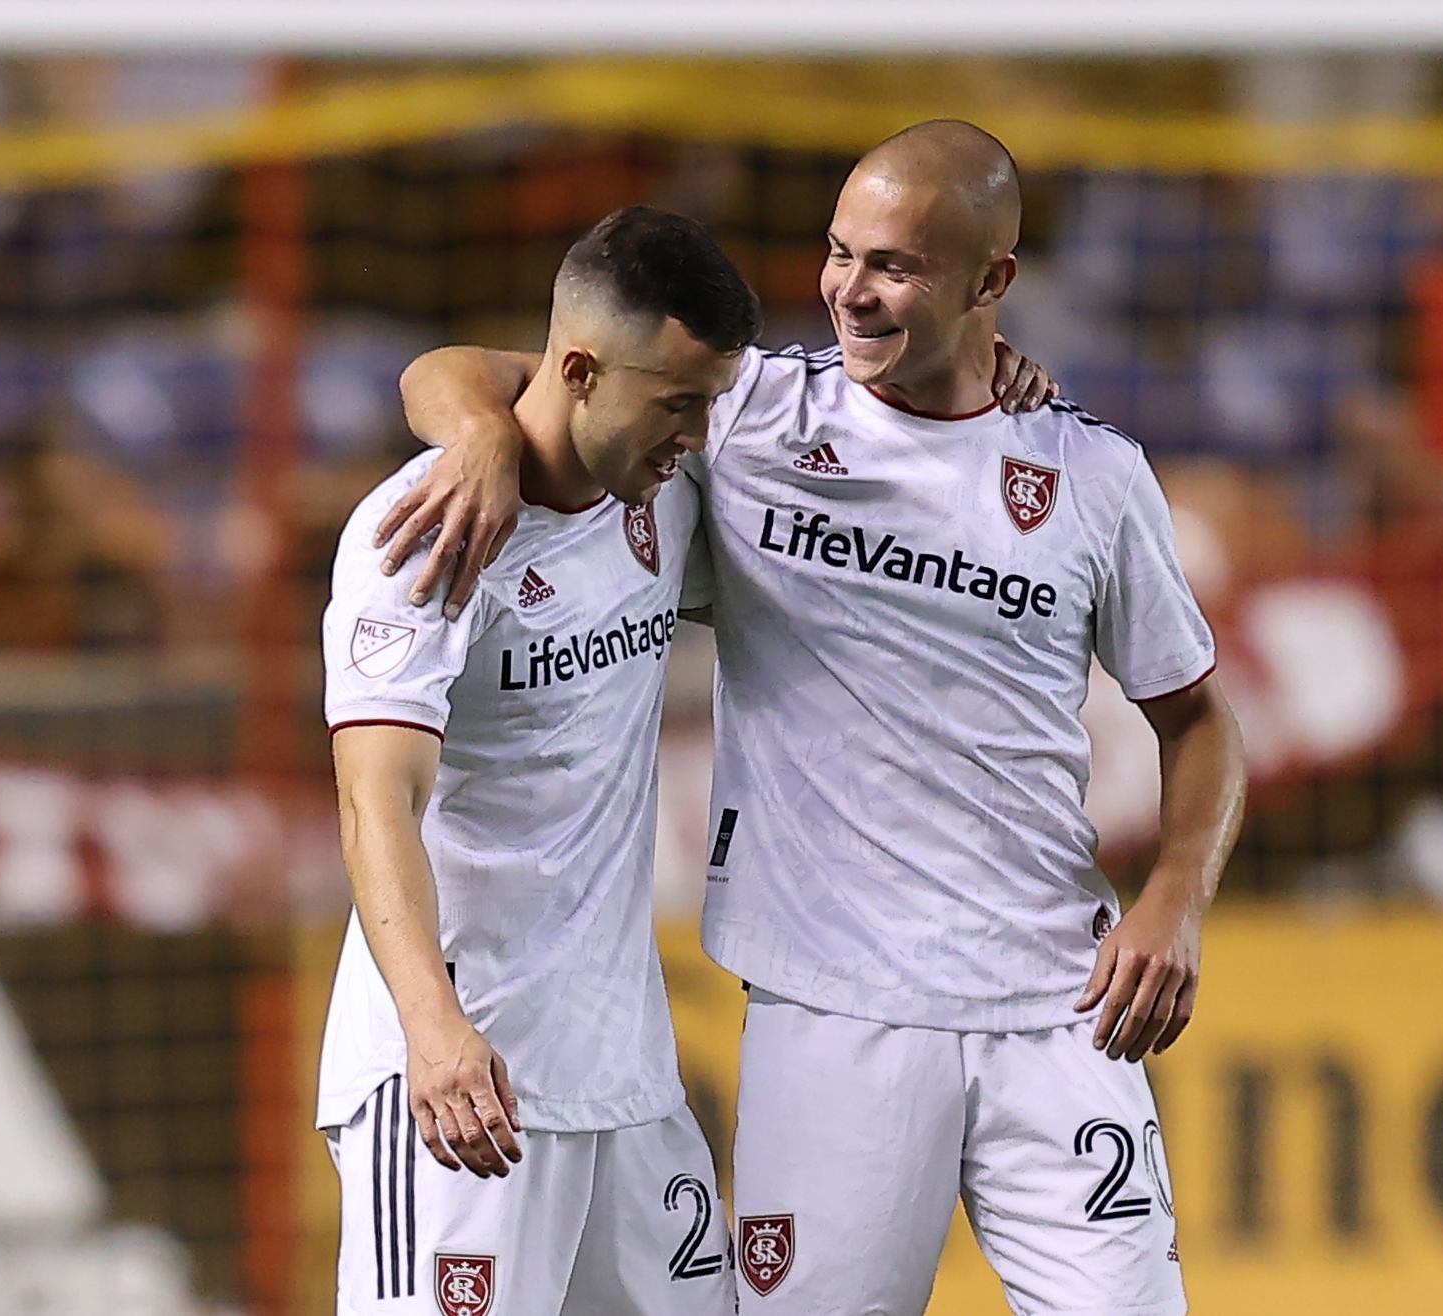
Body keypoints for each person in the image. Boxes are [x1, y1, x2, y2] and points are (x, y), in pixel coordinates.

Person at [389, 122, 1247, 1316]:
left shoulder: (1089, 477)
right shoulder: (747, 420)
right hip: (830, 1014)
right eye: (839, 252)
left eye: (893, 265)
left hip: (1057, 1003)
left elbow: (1199, 719)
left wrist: (1173, 895)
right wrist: (480, 434)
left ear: (992, 283)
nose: (849, 287)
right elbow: (497, 369)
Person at [317, 206, 757, 1316]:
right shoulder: (423, 533)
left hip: (626, 1081)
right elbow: (378, 798)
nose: (698, 436)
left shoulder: (652, 493)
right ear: (578, 371)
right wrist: (433, 1030)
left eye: (706, 404)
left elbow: (467, 371)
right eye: (676, 405)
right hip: (465, 1083)